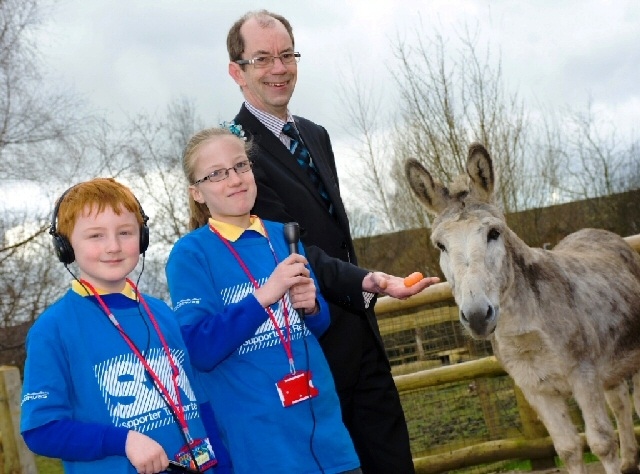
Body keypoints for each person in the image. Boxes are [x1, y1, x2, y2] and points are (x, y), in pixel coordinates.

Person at [226, 10, 440, 473]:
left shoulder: (315, 134)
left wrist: (363, 291)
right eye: (263, 59)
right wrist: (374, 280)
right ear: (236, 71)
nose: (279, 68)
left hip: (361, 330)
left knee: (391, 457)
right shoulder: (236, 154)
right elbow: (290, 249)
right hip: (307, 340)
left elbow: (335, 238)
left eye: (287, 55)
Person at [165, 126, 362, 474]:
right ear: (196, 193)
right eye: (217, 174)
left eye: (241, 166)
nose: (235, 179)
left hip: (326, 433)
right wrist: (264, 297)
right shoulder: (190, 255)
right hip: (262, 447)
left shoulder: (283, 235)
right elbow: (199, 348)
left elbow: (316, 325)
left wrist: (312, 306)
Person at [20, 178, 226, 474]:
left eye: (126, 232)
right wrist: (123, 441)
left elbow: (200, 404)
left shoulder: (162, 313)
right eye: (95, 236)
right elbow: (41, 430)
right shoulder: (53, 329)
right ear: (65, 246)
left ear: (142, 238)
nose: (114, 246)